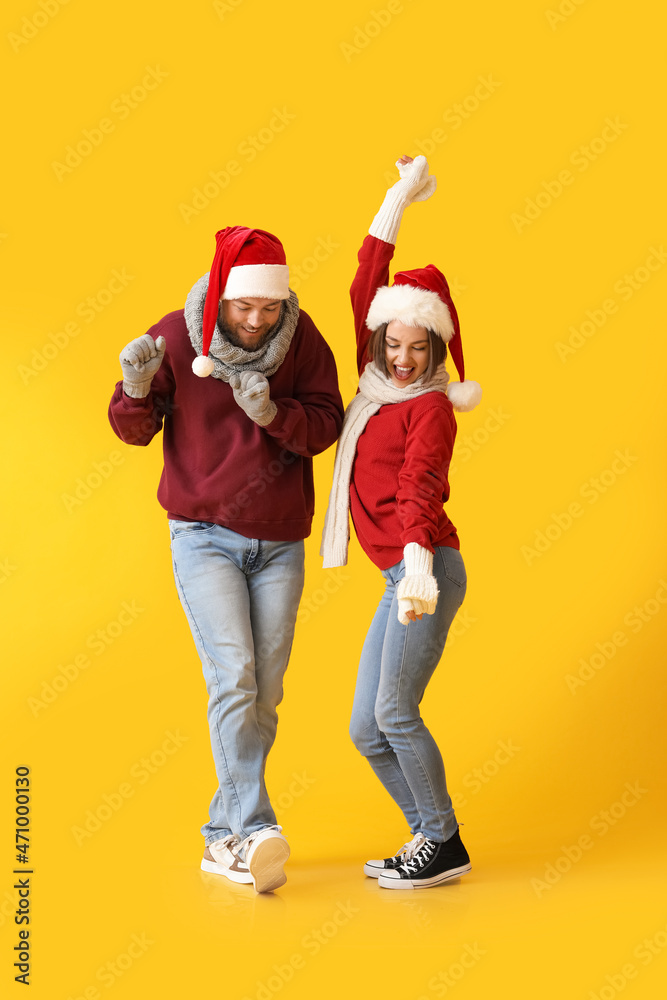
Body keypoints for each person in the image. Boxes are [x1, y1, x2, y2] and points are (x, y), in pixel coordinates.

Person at [109, 226, 343, 892]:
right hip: (202, 533)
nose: (256, 320)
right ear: (220, 299)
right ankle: (256, 827)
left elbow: (326, 422)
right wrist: (133, 386)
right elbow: (135, 429)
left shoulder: (301, 339)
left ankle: (222, 838)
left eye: (268, 309)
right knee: (234, 674)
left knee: (263, 691)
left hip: (280, 540)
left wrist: (274, 412)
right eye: (244, 308)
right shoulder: (175, 336)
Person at [321, 156, 482, 889]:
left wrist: (416, 564)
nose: (405, 358)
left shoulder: (427, 405)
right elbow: (365, 282)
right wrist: (395, 198)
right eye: (395, 343)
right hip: (396, 575)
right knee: (365, 729)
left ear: (437, 349)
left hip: (424, 568)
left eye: (420, 348)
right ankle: (427, 837)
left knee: (394, 709)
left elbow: (420, 485)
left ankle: (441, 843)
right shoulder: (373, 379)